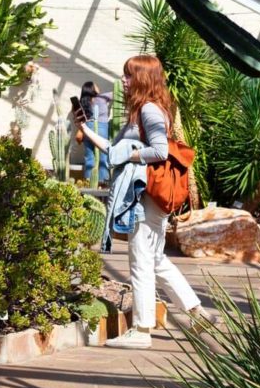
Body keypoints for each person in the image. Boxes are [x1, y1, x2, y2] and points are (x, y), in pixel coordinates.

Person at [76, 55, 214, 348]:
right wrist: (87, 131)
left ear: (142, 79)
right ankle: (196, 312)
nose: (123, 81)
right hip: (149, 198)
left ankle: (141, 331)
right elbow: (115, 151)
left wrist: (132, 155)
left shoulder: (149, 111)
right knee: (155, 259)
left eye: (128, 76)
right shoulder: (144, 110)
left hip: (145, 197)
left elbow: (160, 152)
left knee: (140, 262)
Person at [79, 81, 112, 185]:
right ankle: (103, 184)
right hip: (101, 127)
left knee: (89, 157)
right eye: (96, 85)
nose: (98, 86)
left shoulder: (83, 101)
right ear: (92, 89)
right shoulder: (102, 97)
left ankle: (89, 184)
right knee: (103, 157)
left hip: (87, 128)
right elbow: (117, 94)